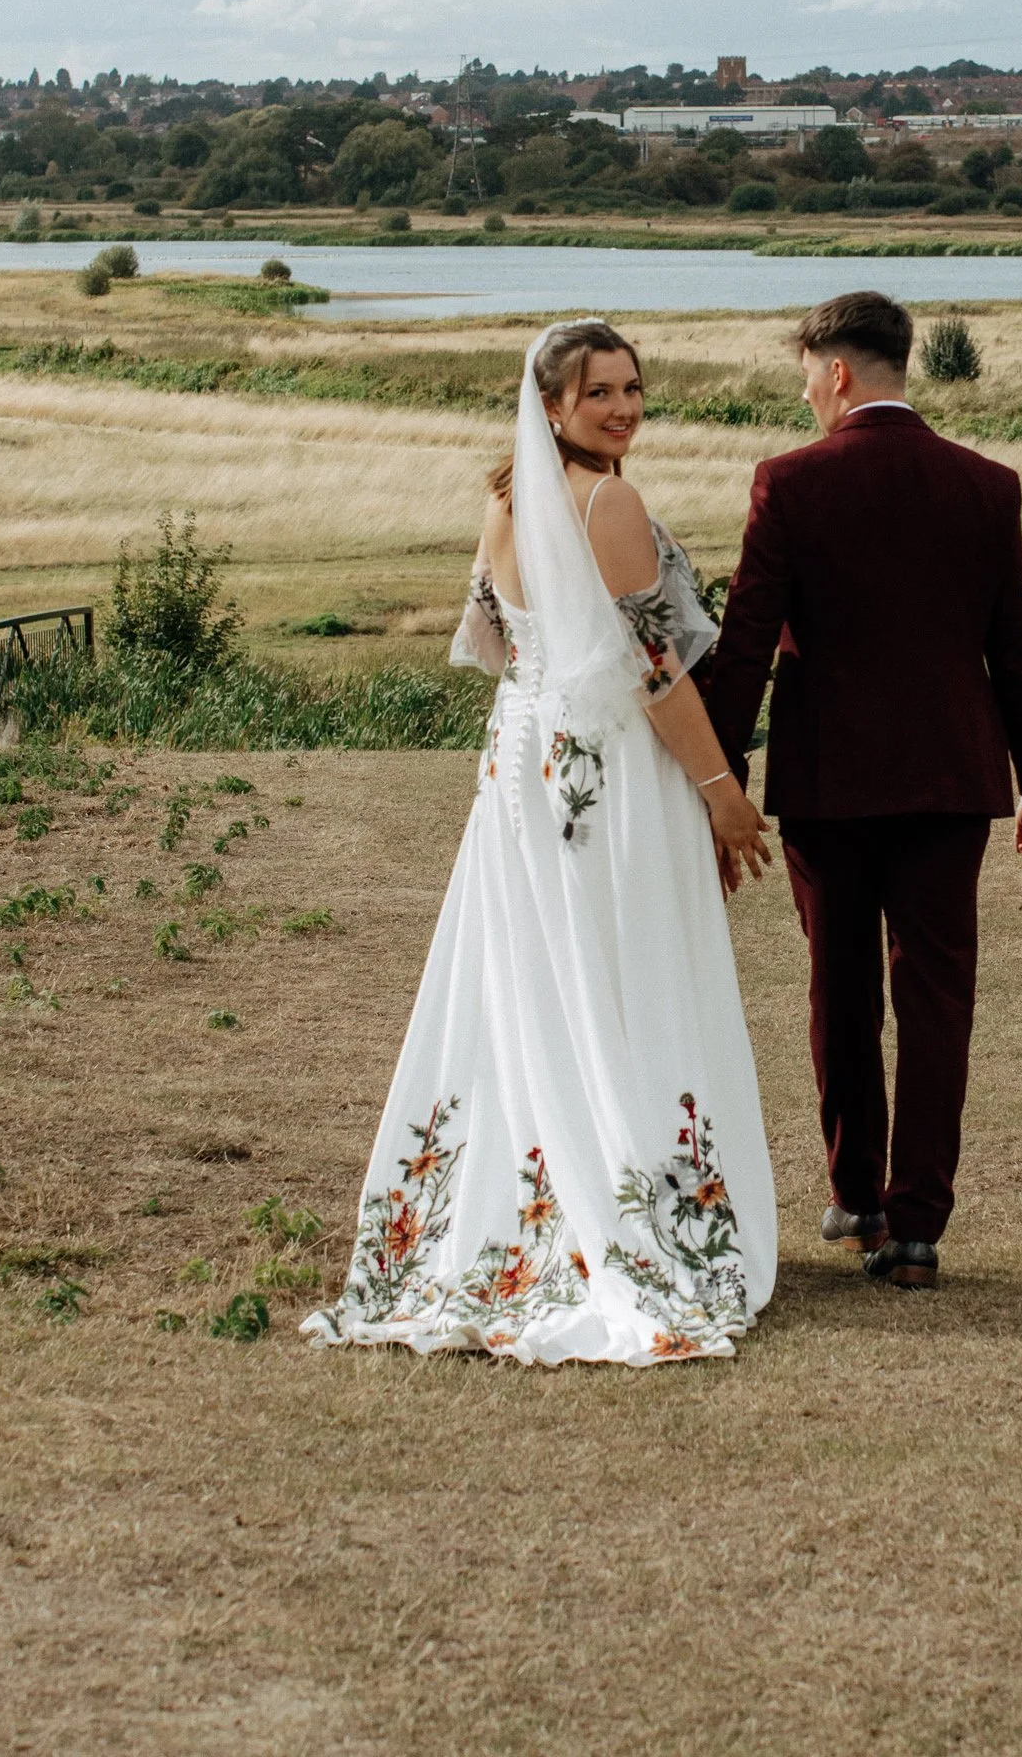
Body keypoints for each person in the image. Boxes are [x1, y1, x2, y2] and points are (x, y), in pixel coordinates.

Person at [304, 320, 777, 1365]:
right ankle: (623, 1217)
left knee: (536, 973)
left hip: (522, 760)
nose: (621, 409)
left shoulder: (506, 499)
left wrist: (551, 691)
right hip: (601, 768)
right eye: (598, 393)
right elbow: (654, 670)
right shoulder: (607, 502)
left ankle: (538, 1197)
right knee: (618, 968)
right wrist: (720, 792)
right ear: (551, 406)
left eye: (633, 389)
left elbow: (491, 638)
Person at [702, 290, 1022, 1292]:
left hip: (826, 779)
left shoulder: (787, 483)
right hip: (953, 781)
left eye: (805, 382)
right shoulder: (987, 485)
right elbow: (1017, 653)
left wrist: (717, 777)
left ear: (834, 372)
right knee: (937, 996)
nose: (806, 399)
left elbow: (742, 645)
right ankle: (915, 1229)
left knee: (840, 986)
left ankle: (855, 1195)